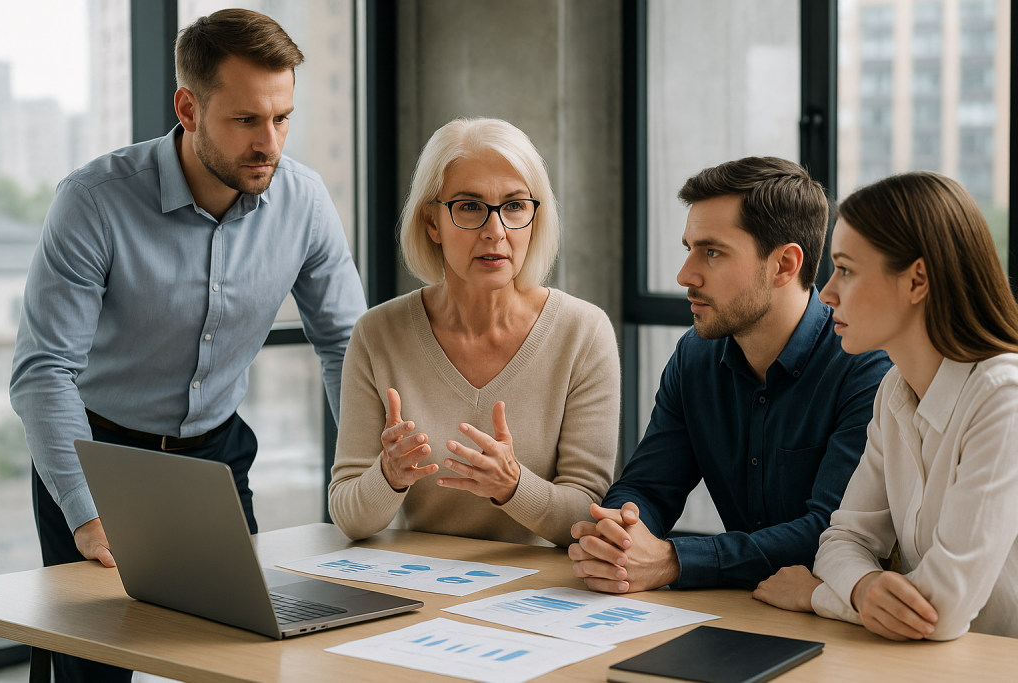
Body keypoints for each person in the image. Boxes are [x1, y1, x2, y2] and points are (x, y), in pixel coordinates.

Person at [10, 10, 366, 681]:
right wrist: (86, 515)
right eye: (246, 120)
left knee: (249, 653)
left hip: (216, 453)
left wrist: (368, 478)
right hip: (99, 452)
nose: (270, 143)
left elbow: (348, 345)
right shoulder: (93, 201)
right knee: (88, 667)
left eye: (282, 117)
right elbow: (43, 371)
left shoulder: (305, 202)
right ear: (188, 107)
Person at [569, 157, 892, 593]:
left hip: (847, 621)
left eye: (713, 252)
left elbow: (831, 533)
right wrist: (619, 536)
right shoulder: (695, 356)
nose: (685, 275)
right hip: (744, 612)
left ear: (784, 265)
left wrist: (674, 561)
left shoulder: (865, 364)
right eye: (689, 248)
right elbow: (648, 486)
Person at [328, 117, 620, 547]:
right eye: (470, 206)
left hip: (540, 598)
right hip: (419, 588)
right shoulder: (377, 333)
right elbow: (348, 516)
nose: (496, 231)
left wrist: (512, 485)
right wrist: (387, 475)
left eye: (515, 206)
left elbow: (586, 513)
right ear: (432, 222)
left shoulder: (584, 332)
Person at [753, 172, 1018, 641]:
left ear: (917, 280)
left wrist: (817, 595)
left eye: (847, 270)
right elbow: (842, 540)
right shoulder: (895, 389)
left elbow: (942, 612)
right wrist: (864, 587)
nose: (828, 292)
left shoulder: (1005, 398)